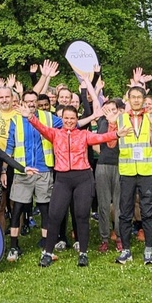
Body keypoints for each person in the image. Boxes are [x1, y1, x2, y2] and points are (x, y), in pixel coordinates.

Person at [22, 103, 126, 268]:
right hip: (62, 178)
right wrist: (29, 116)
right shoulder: (55, 134)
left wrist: (116, 134)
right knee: (55, 215)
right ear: (61, 119)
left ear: (77, 119)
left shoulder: (83, 134)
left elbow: (101, 138)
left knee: (82, 216)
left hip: (83, 177)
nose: (69, 121)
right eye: (66, 118)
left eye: (72, 118)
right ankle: (48, 252)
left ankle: (83, 253)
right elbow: (41, 127)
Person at [6, 90, 63, 254]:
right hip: (22, 171)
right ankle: (14, 246)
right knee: (17, 209)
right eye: (28, 101)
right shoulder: (15, 120)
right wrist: (4, 170)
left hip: (43, 168)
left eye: (33, 100)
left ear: (38, 101)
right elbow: (10, 146)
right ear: (23, 102)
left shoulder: (47, 117)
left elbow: (67, 126)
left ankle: (46, 245)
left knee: (45, 209)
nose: (31, 103)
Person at [115, 86, 152, 266]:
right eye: (132, 97)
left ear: (144, 99)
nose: (136, 100)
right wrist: (112, 125)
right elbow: (112, 144)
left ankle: (148, 250)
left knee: (148, 211)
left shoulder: (151, 118)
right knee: (125, 211)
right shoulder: (119, 119)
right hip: (127, 171)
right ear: (128, 99)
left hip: (147, 171)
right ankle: (126, 250)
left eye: (139, 97)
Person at [92, 99, 122, 253]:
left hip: (120, 166)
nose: (110, 112)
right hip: (103, 165)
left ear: (119, 110)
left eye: (113, 109)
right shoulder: (102, 122)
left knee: (118, 205)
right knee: (103, 204)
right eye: (107, 109)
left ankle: (119, 237)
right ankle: (104, 238)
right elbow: (96, 142)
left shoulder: (124, 122)